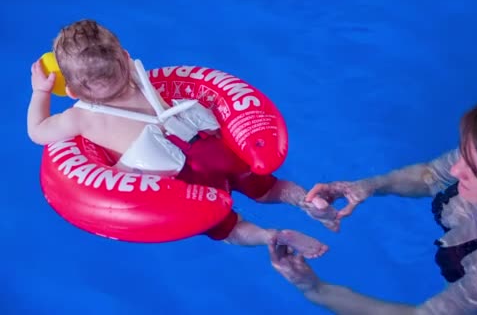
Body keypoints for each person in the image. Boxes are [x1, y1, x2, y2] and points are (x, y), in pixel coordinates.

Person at [269, 82, 477, 314]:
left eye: (476, 172)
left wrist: (315, 289)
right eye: (464, 153)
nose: (455, 169)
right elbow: (429, 175)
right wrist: (365, 186)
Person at [27, 19, 339, 258]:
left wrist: (41, 91)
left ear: (70, 92)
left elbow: (37, 132)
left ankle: (270, 237)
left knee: (227, 226)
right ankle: (309, 202)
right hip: (212, 148)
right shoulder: (141, 78)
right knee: (266, 186)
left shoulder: (79, 117)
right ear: (125, 58)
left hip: (184, 179)